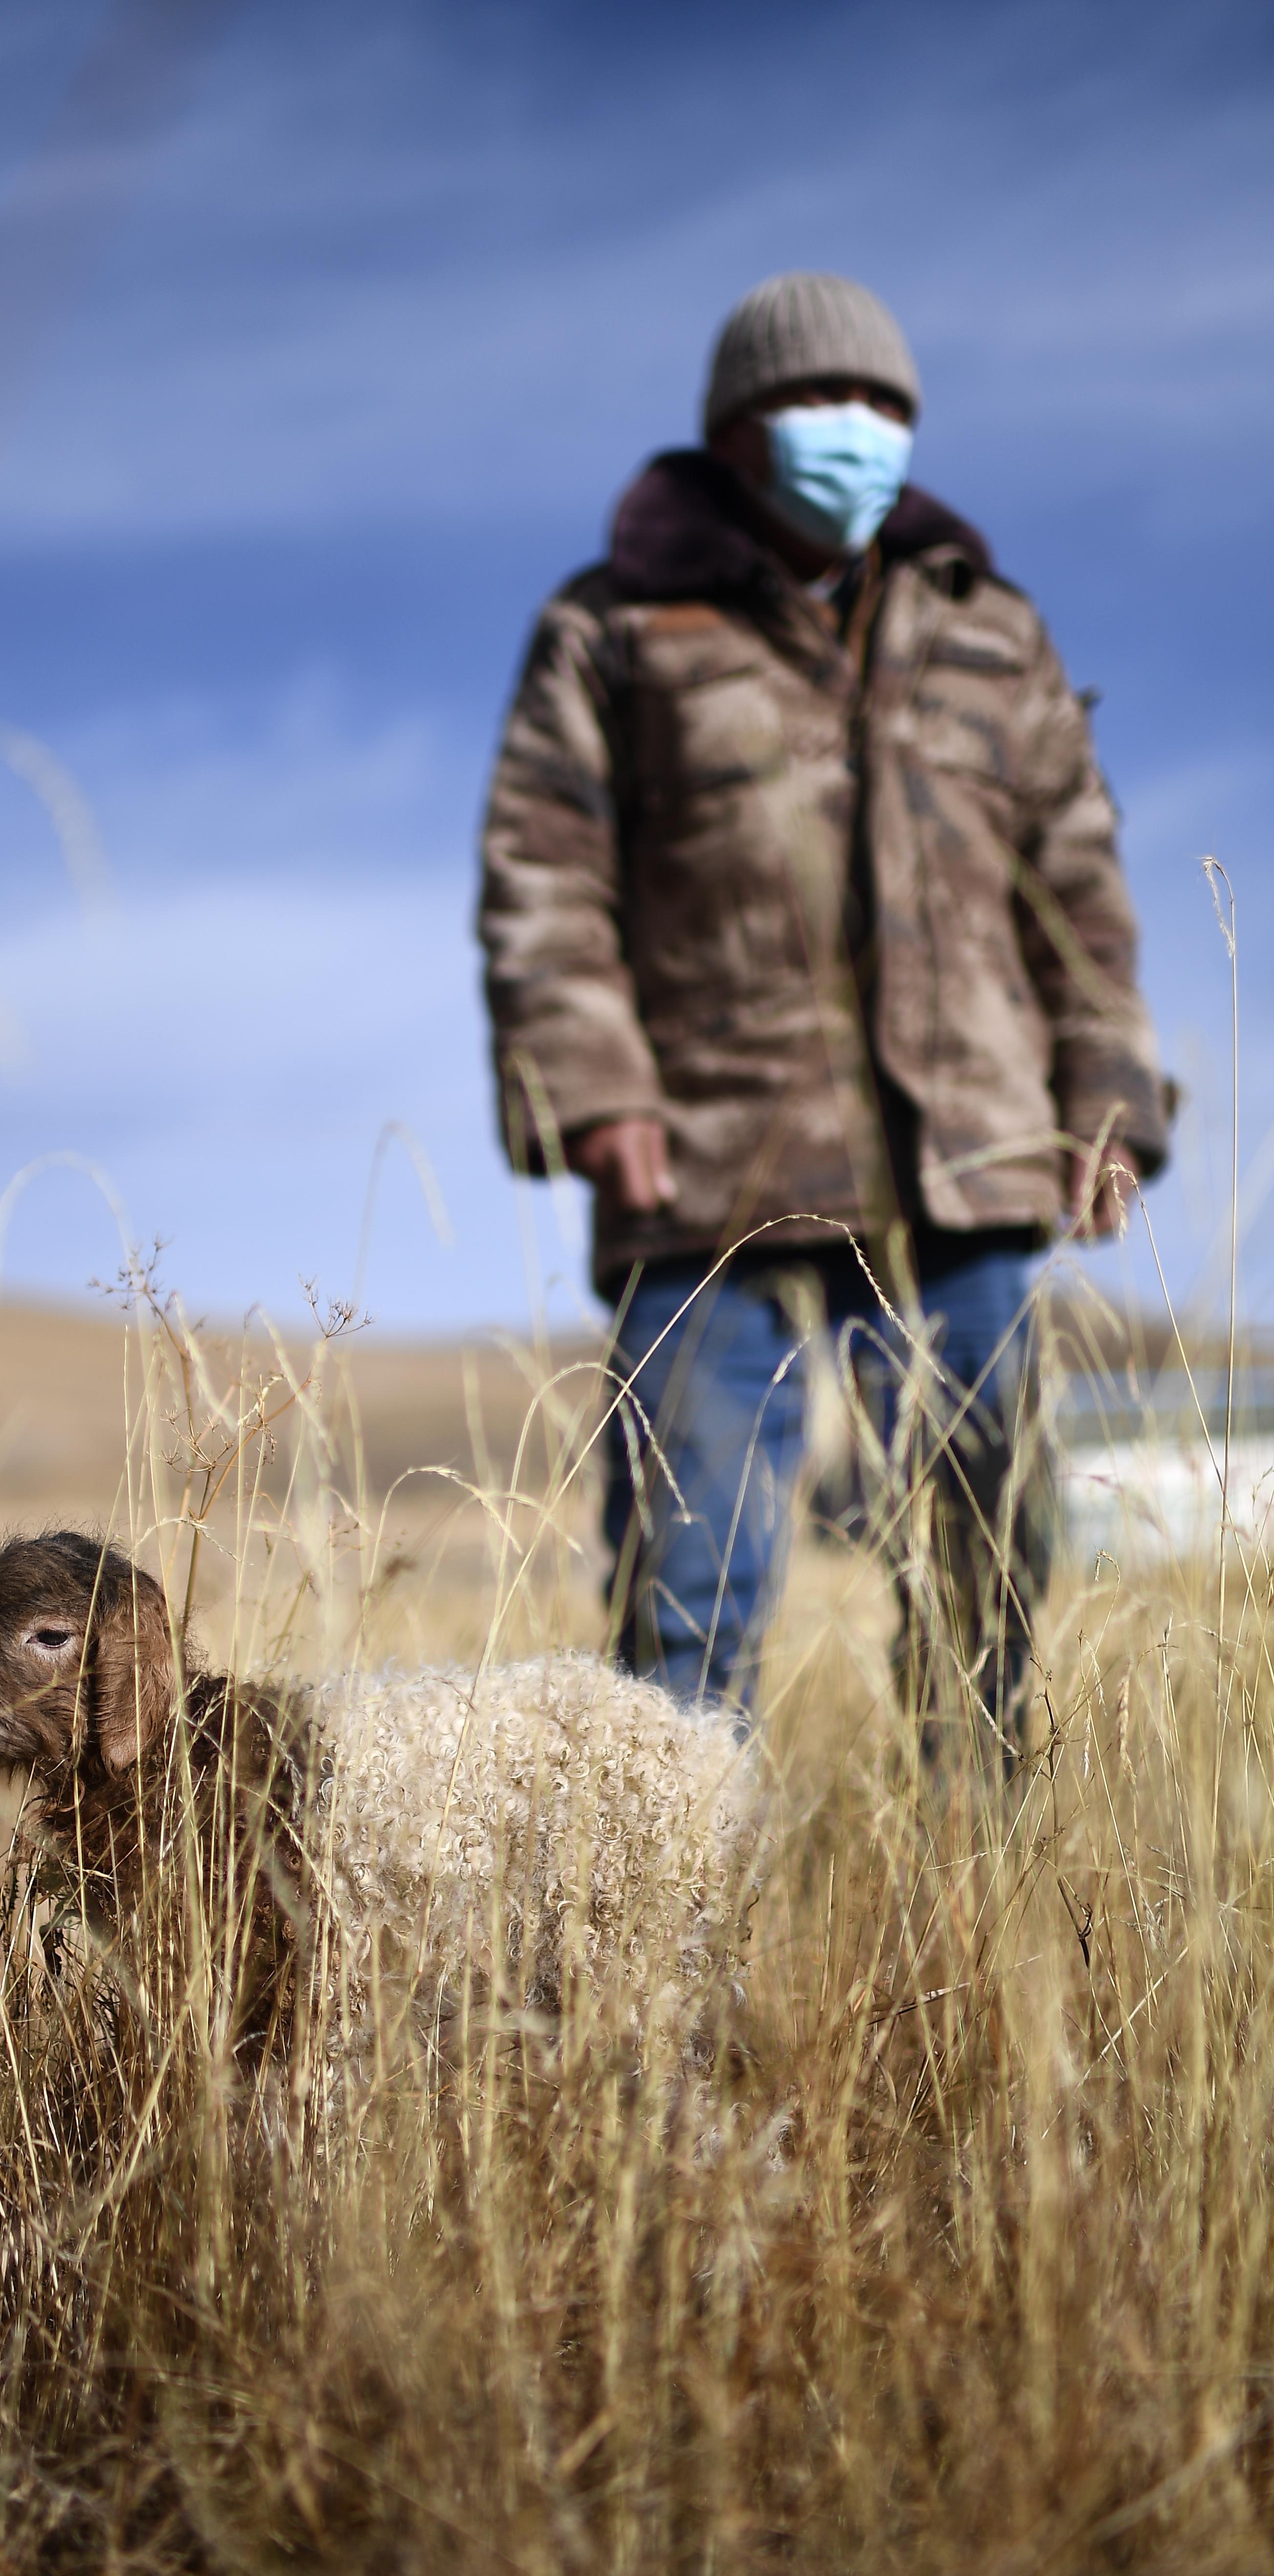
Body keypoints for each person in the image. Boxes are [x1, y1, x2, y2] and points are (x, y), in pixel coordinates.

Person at [476, 271, 1169, 1737]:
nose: (856, 431)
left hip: (966, 1177)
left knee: (990, 1557)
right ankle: (657, 1934)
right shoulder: (616, 625)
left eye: (885, 408)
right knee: (685, 1585)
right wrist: (591, 1093)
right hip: (712, 1184)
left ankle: (971, 1897)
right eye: (817, 404)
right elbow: (542, 866)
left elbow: (1076, 884)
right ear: (733, 432)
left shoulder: (990, 627)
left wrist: (1104, 1104)